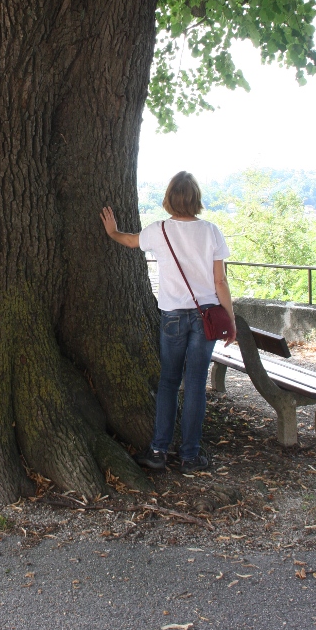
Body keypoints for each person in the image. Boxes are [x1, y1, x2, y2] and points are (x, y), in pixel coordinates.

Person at [100, 171, 236, 471]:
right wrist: (231, 320)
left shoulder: (158, 231)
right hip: (205, 317)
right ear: (196, 199)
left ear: (170, 199)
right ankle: (190, 455)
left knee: (169, 383)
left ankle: (159, 452)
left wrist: (112, 232)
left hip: (172, 316)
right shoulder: (212, 231)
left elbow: (131, 241)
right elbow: (220, 281)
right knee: (196, 385)